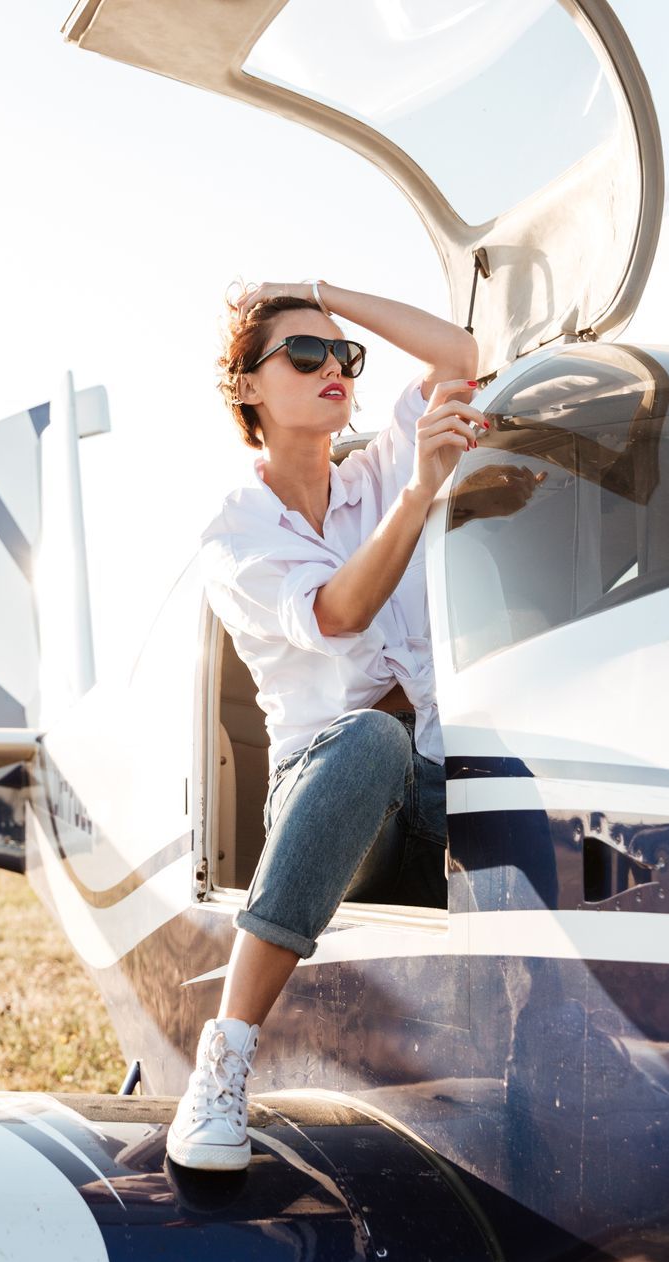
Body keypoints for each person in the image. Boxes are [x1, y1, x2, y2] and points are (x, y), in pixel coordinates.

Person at [166, 280, 483, 1171]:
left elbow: (459, 357)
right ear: (248, 390)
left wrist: (319, 294)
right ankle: (223, 1063)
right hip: (329, 791)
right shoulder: (236, 533)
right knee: (371, 741)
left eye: (344, 355)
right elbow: (338, 613)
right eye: (304, 354)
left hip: (431, 780)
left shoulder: (373, 470)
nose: (333, 367)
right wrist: (421, 492)